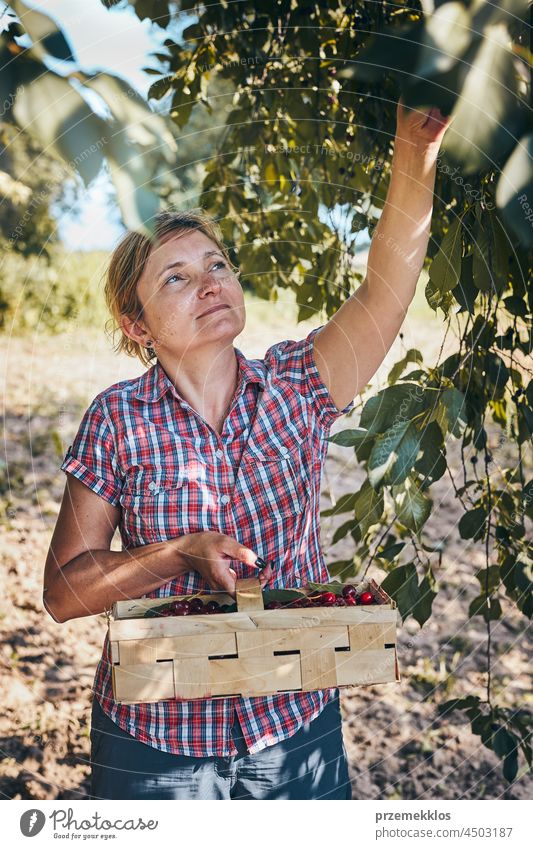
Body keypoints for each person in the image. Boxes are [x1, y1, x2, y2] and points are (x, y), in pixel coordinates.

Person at [43, 100, 451, 800]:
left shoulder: (299, 384)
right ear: (135, 324)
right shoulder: (117, 418)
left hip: (293, 727)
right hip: (154, 744)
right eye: (175, 276)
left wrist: (414, 154)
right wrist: (176, 554)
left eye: (217, 263)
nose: (209, 282)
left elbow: (385, 290)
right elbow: (63, 592)